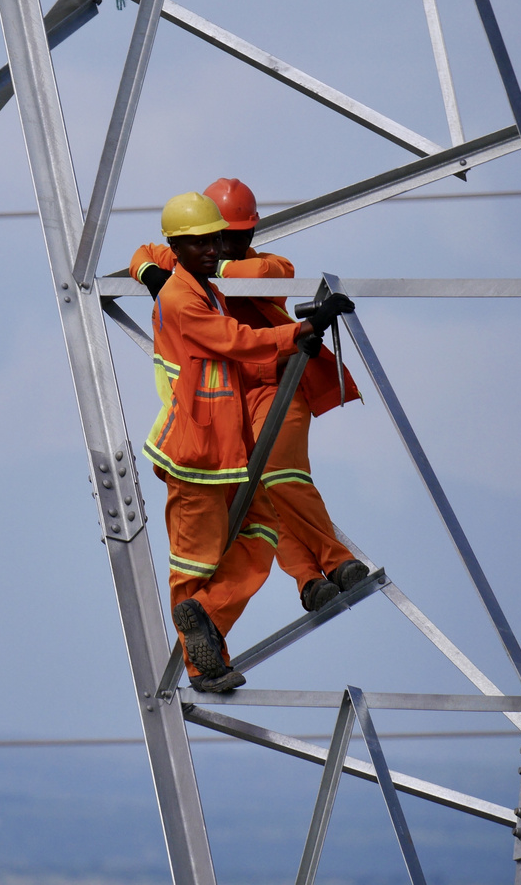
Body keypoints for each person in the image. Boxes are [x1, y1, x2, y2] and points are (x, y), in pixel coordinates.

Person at [140, 191, 353, 693]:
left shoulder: (200, 285)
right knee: (193, 566)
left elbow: (232, 357)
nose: (214, 248)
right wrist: (294, 333)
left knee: (260, 531)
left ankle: (207, 619)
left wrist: (288, 349)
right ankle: (205, 666)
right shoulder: (180, 295)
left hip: (225, 452)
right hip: (194, 454)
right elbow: (230, 339)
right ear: (177, 246)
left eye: (218, 238)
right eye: (202, 242)